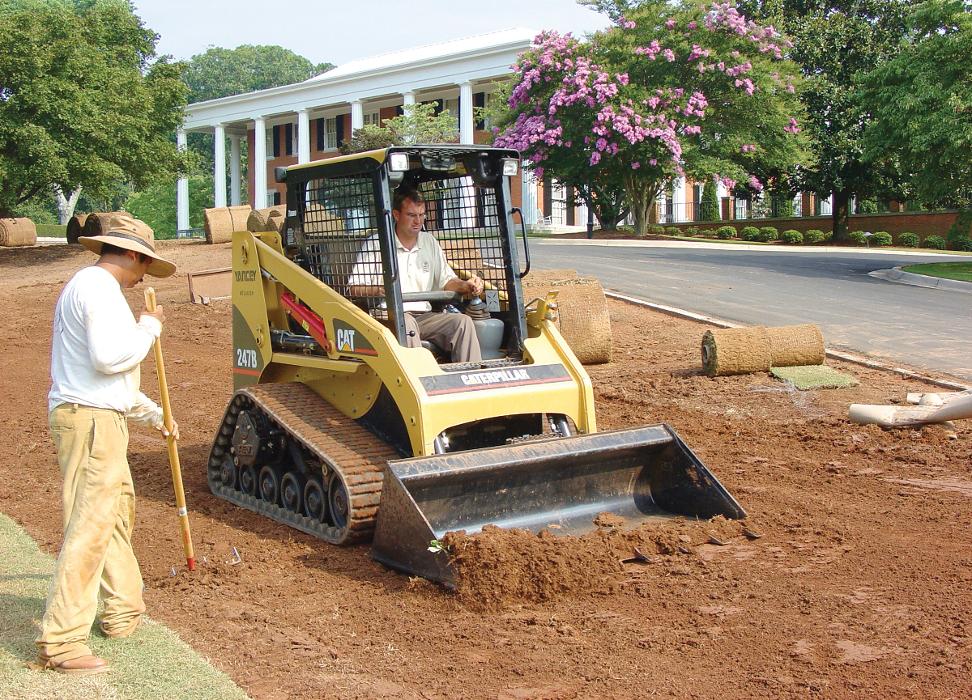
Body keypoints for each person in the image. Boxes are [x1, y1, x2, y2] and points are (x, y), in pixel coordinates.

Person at [36, 213, 179, 676]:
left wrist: (153, 414)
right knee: (91, 526)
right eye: (145, 265)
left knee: (115, 516)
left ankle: (123, 610)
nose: (144, 278)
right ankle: (62, 642)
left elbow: (107, 378)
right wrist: (150, 327)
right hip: (91, 423)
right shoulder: (98, 289)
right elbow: (108, 358)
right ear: (133, 255)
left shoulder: (94, 288)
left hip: (100, 417)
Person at [348, 187, 485, 362]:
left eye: (422, 215)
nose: (418, 221)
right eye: (412, 215)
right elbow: (353, 288)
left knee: (463, 323)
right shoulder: (377, 244)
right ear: (396, 215)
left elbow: (447, 280)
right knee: (407, 322)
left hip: (423, 316)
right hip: (387, 316)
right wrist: (381, 290)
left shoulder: (429, 242)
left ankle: (470, 380)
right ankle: (419, 380)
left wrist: (466, 285)